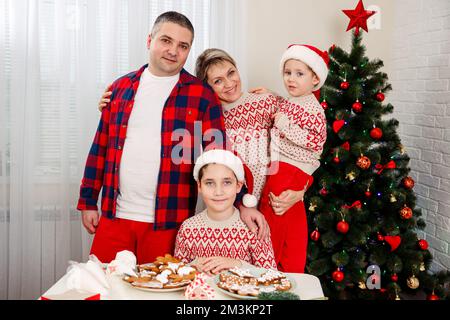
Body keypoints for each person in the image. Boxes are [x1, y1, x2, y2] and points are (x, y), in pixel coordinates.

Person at [77, 11, 266, 265]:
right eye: (166, 41)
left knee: (161, 291)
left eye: (183, 46)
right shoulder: (120, 88)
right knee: (104, 288)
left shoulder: (202, 95)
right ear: (149, 40)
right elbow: (100, 147)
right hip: (115, 216)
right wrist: (89, 200)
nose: (173, 51)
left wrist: (245, 202)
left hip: (169, 221)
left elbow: (219, 154)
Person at [256, 44, 329, 273]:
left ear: (315, 79)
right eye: (287, 73)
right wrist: (271, 94)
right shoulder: (294, 101)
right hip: (280, 167)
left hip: (291, 168)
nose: (291, 79)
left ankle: (273, 267)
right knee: (282, 216)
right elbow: (288, 106)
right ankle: (280, 266)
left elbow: (316, 141)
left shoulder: (314, 110)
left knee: (275, 213)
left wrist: (285, 126)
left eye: (299, 74)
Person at [174, 149, 277, 274]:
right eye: (210, 183)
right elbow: (177, 275)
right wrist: (192, 266)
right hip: (201, 293)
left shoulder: (254, 229)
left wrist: (239, 264)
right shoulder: (187, 228)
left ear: (238, 186)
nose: (218, 192)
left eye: (227, 182)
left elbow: (272, 276)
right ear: (200, 186)